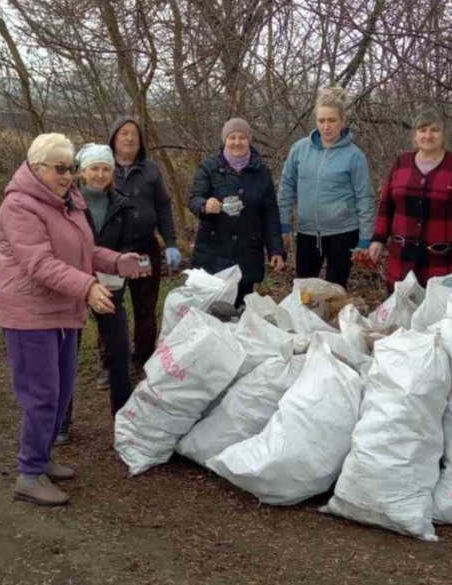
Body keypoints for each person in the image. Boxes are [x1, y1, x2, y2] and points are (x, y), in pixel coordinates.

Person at [0, 133, 146, 506]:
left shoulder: (68, 202)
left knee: (61, 393)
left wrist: (115, 262)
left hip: (62, 309)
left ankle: (42, 458)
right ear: (36, 167)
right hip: (30, 313)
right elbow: (39, 263)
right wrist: (88, 287)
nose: (67, 176)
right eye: (60, 169)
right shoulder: (19, 207)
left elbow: (83, 249)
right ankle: (29, 474)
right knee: (42, 394)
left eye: (71, 169)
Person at [55, 143, 135, 446]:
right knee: (66, 354)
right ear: (82, 171)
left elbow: (128, 244)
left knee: (119, 351)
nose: (100, 174)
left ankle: (125, 419)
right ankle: (61, 420)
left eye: (105, 169)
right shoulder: (68, 204)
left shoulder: (122, 204)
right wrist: (82, 281)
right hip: (73, 285)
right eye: (94, 168)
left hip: (110, 283)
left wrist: (126, 265)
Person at [368, 108, 452, 289]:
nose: (428, 135)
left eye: (435, 130)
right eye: (422, 130)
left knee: (439, 308)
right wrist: (378, 239)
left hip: (442, 257)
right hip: (402, 255)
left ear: (443, 135)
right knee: (400, 306)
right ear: (415, 135)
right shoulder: (401, 163)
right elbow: (386, 206)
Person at [278, 87, 375, 289]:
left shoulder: (354, 156)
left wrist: (365, 238)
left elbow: (364, 198)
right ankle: (304, 321)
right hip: (307, 232)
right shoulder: (300, 149)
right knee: (304, 289)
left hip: (343, 233)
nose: (326, 126)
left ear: (342, 121)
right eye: (321, 121)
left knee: (335, 290)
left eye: (332, 120)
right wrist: (283, 223)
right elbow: (286, 187)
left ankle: (333, 321)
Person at [108, 116, 180, 367]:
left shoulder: (150, 169)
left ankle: (143, 360)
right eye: (124, 133)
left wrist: (170, 241)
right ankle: (111, 362)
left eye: (134, 135)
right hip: (111, 253)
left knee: (145, 307)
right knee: (110, 306)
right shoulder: (101, 167)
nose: (129, 138)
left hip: (143, 250)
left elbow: (163, 206)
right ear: (114, 138)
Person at [189, 118, 286, 304]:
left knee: (241, 311)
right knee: (215, 311)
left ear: (249, 140)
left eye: (242, 137)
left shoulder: (261, 171)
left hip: (247, 253)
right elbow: (194, 199)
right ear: (225, 140)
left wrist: (276, 250)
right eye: (232, 137)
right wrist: (205, 205)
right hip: (214, 252)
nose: (237, 142)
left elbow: (270, 213)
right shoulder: (210, 166)